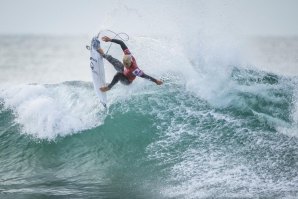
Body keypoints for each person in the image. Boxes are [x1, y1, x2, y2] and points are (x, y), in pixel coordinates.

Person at [97, 36, 163, 92]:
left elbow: (145, 76)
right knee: (113, 60)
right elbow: (121, 43)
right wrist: (110, 39)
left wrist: (156, 81)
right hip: (123, 71)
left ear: (130, 62)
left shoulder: (135, 70)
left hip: (127, 80)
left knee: (118, 75)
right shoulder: (128, 54)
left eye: (127, 64)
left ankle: (109, 87)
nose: (125, 65)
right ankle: (102, 54)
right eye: (124, 63)